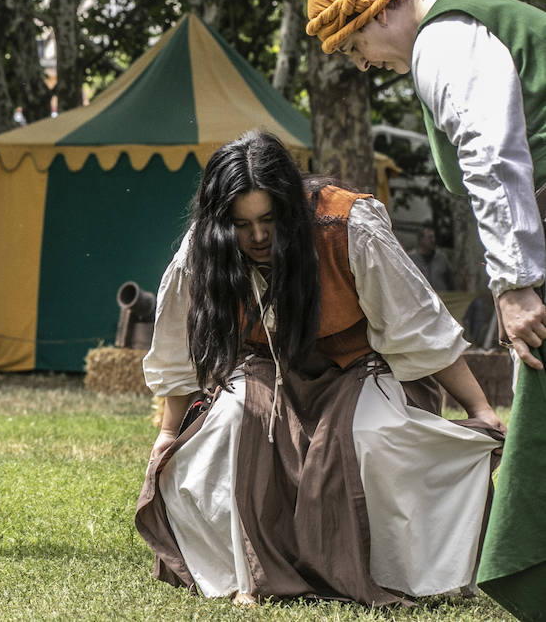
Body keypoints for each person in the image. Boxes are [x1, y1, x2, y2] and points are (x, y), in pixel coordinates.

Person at [137, 131, 503, 606]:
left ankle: (376, 570)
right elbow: (176, 348)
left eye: (269, 220)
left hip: (356, 365)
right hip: (263, 368)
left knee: (365, 437)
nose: (258, 237)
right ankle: (251, 574)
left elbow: (419, 326)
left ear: (290, 207)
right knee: (229, 427)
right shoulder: (204, 247)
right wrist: (168, 435)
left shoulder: (349, 224)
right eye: (242, 224)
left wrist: (479, 408)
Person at [306, 0, 546, 617]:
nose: (361, 64)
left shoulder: (444, 40)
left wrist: (516, 283)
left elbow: (494, 156)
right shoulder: (455, 28)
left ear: (383, 10)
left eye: (356, 45)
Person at [408, 225, 455, 292]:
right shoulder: (411, 259)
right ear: (421, 240)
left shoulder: (442, 258)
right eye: (430, 237)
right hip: (421, 299)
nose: (433, 240)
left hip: (442, 298)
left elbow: (450, 281)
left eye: (433, 237)